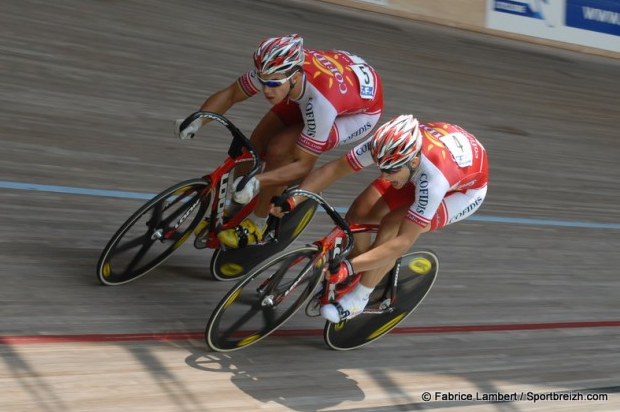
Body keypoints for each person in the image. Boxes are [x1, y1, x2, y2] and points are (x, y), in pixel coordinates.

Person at [271, 114, 489, 323]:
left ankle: (360, 297)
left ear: (412, 161)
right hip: (425, 165)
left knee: (391, 227)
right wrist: (293, 200)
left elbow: (402, 242)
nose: (384, 176)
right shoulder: (386, 146)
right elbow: (335, 169)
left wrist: (350, 267)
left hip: (462, 192)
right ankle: (367, 270)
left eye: (391, 170)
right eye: (381, 167)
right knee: (357, 214)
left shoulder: (434, 181)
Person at [174, 34, 384, 248]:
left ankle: (259, 223)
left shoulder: (322, 104)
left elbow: (303, 165)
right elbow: (231, 94)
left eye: (273, 84)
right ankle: (236, 208)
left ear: (294, 76)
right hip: (332, 79)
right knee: (255, 144)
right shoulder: (274, 70)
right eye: (263, 81)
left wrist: (258, 181)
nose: (266, 90)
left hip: (356, 114)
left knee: (280, 151)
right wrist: (198, 120)